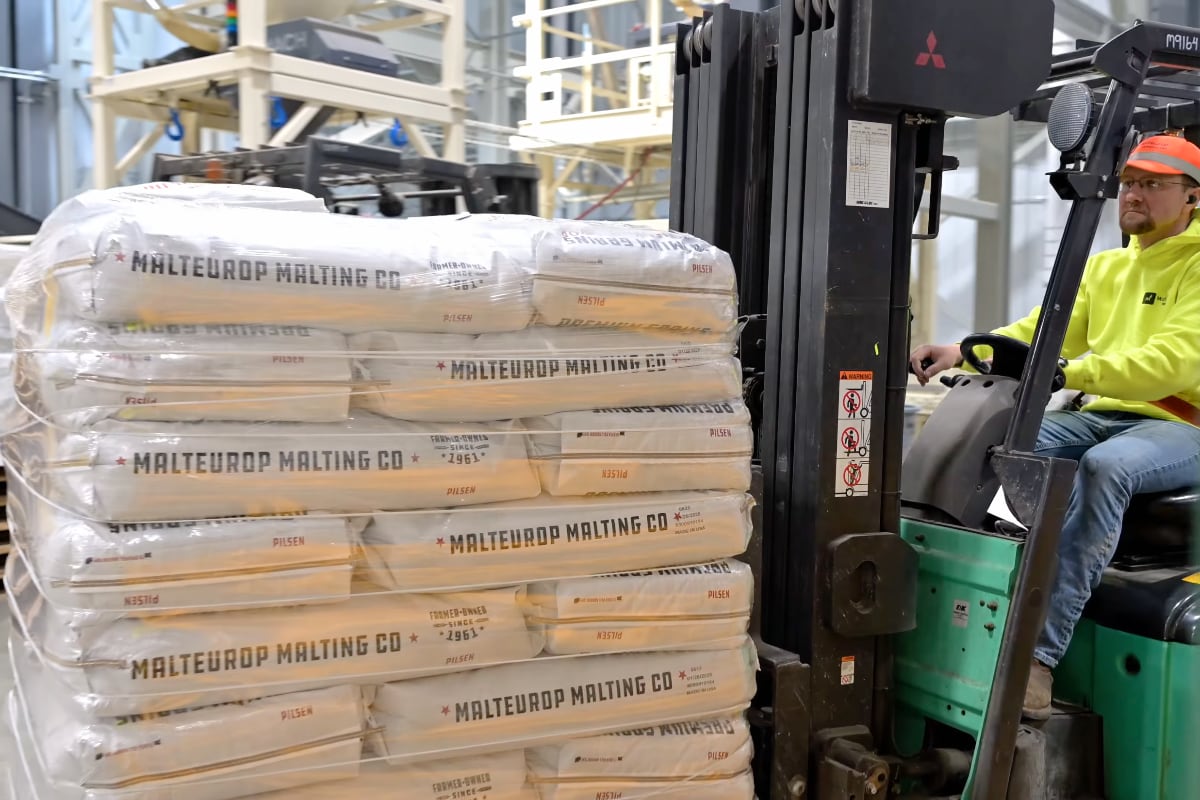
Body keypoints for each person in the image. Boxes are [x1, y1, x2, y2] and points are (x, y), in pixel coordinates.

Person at [909, 133, 1200, 720]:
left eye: (1152, 184)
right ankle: (970, 601)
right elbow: (1042, 330)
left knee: (1106, 467)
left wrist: (1074, 370)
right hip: (1104, 415)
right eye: (1129, 183)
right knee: (994, 436)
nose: (1133, 194)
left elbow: (1173, 361)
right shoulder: (1108, 267)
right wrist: (964, 350)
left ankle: (1038, 657)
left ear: (1192, 197)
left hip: (1181, 424)